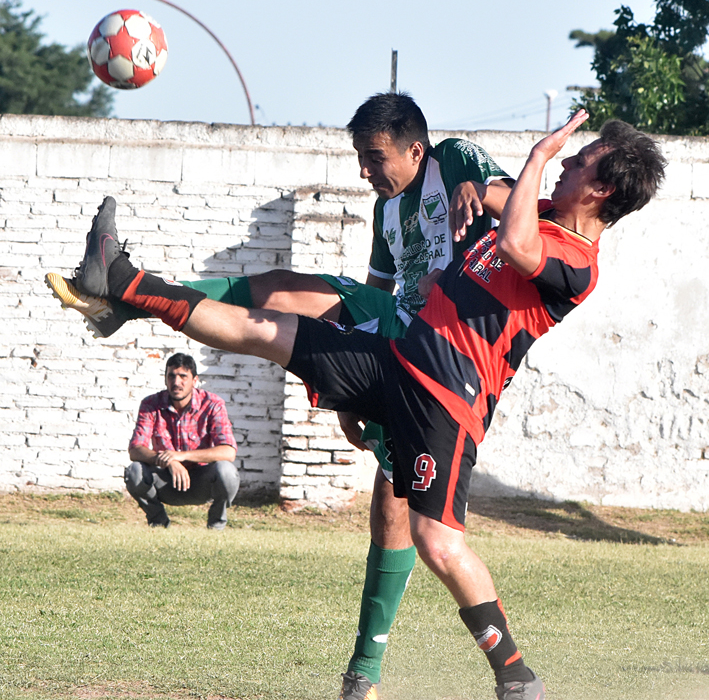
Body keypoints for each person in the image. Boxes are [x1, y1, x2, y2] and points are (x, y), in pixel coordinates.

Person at [49, 110, 666, 699]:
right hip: (395, 361)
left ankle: (515, 674)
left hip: (444, 402)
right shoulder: (542, 210)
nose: (564, 165)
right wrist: (468, 201)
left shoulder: (576, 262)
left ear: (602, 188)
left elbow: (514, 241)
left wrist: (536, 155)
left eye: (580, 162)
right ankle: (125, 283)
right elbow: (495, 211)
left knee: (437, 542)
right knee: (267, 329)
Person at [124, 352, 240, 530]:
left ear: (195, 380)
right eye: (171, 376)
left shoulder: (213, 404)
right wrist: (168, 460)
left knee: (227, 472)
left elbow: (228, 451)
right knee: (134, 472)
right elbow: (135, 449)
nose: (176, 382)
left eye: (183, 376)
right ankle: (158, 523)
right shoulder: (151, 404)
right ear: (165, 379)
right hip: (166, 481)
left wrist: (180, 456)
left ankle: (216, 526)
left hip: (202, 481)